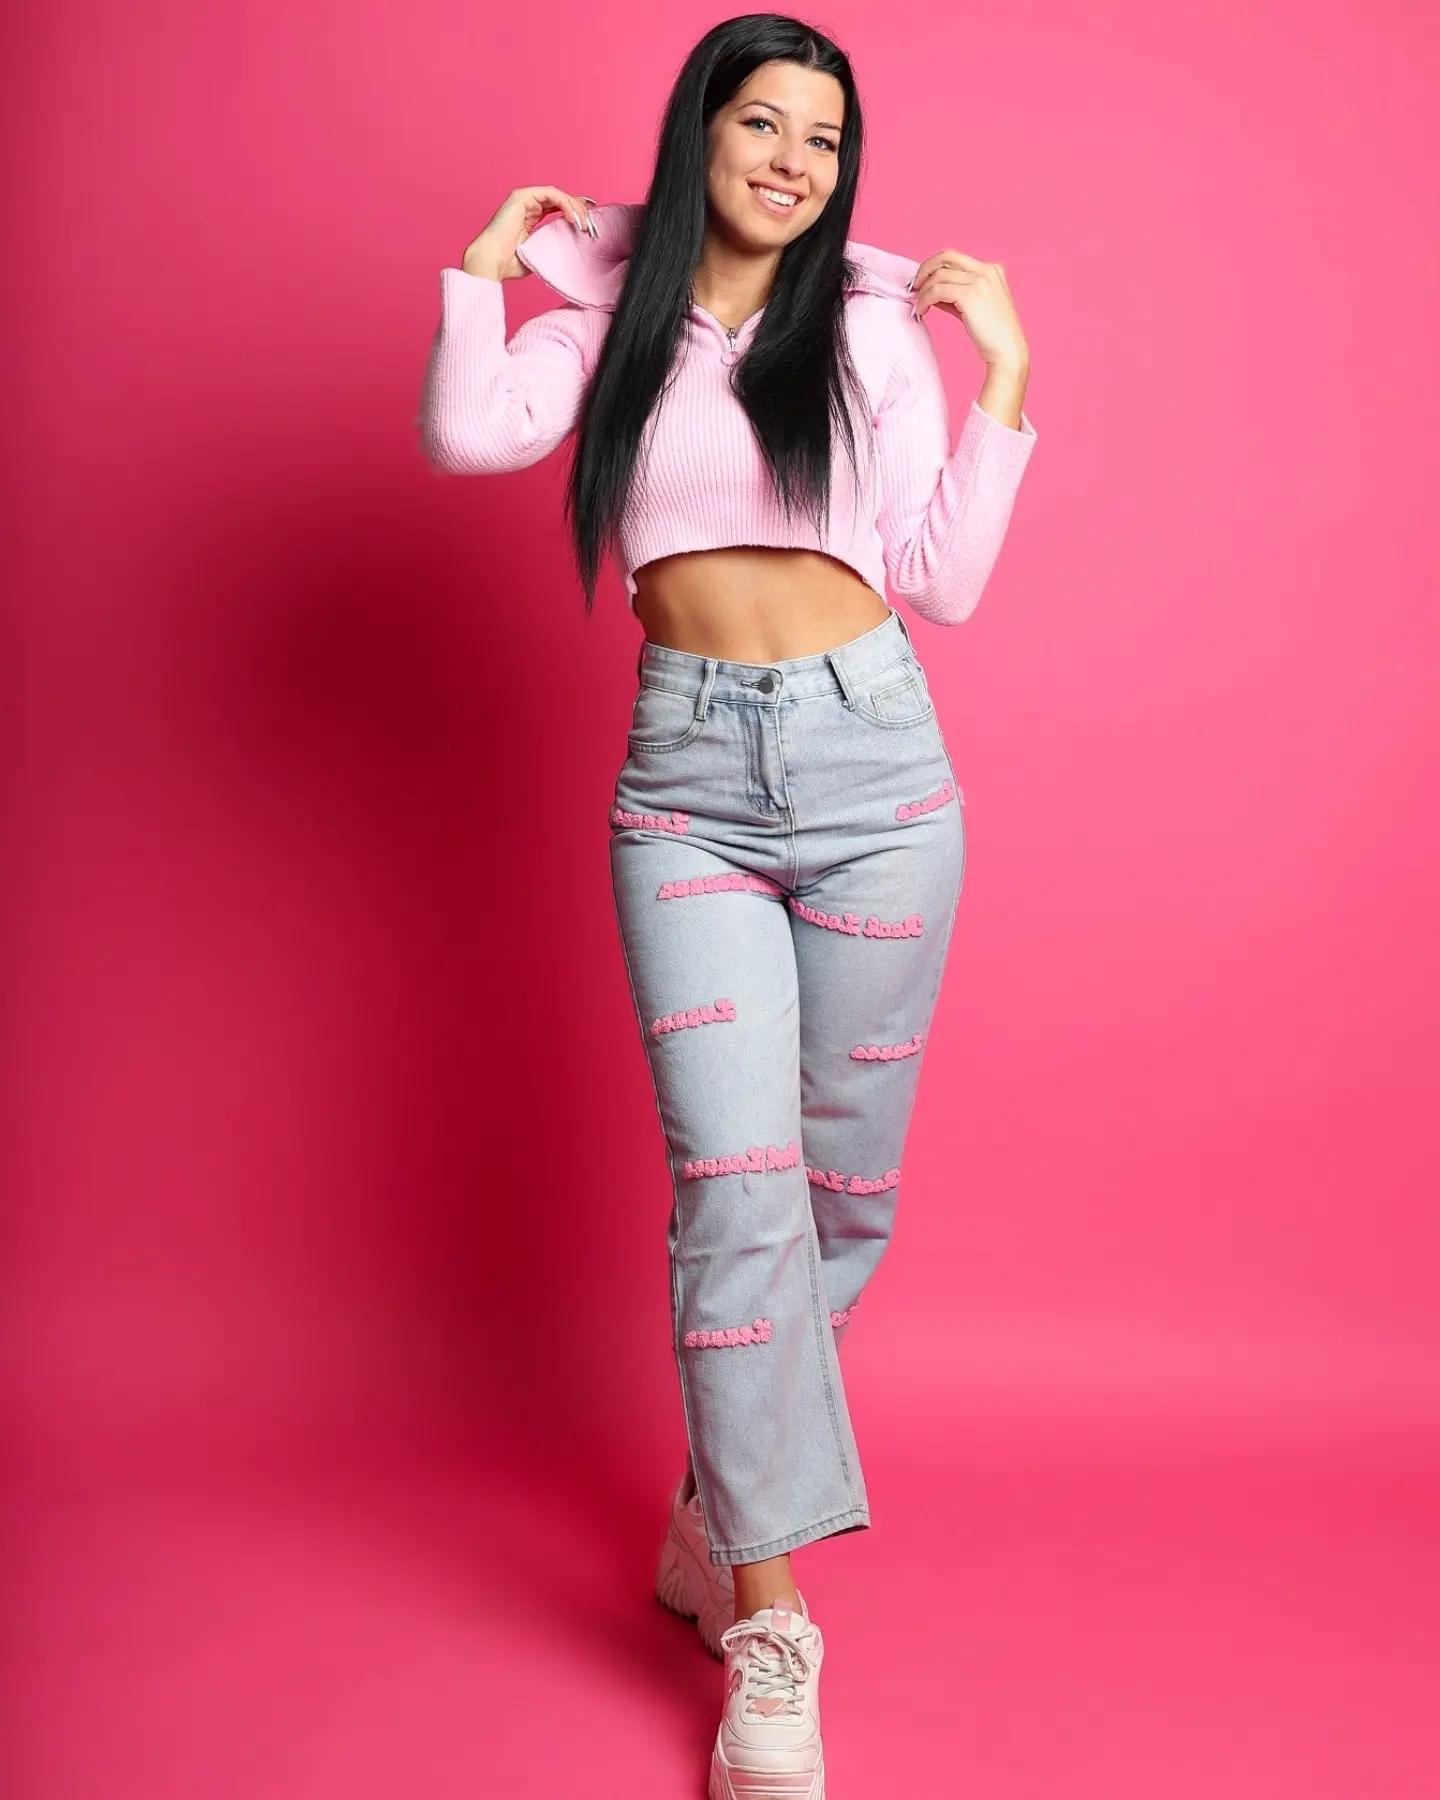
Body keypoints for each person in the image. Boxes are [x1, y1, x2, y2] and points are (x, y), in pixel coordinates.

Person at [417, 17, 1037, 1797]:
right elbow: (468, 431)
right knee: (733, 1185)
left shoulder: (869, 334)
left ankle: (712, 1513)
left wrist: (1001, 371)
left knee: (843, 1192)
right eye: (760, 122)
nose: (791, 160)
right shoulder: (613, 323)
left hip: (879, 776)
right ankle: (772, 1627)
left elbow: (944, 582)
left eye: (823, 140)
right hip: (685, 789)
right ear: (699, 135)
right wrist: (487, 268)